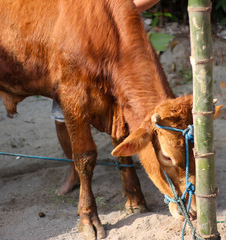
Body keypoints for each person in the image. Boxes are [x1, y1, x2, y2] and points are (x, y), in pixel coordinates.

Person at [53, 0, 161, 195]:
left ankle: (129, 176)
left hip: (121, 44)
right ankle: (74, 171)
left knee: (122, 113)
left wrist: (116, 10)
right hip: (75, 42)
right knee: (62, 118)